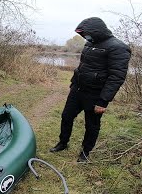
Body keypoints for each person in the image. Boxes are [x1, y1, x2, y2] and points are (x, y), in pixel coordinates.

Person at [50, 17, 132, 162]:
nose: (85, 37)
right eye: (83, 35)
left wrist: (103, 101)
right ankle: (63, 143)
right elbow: (83, 66)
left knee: (91, 125)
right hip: (77, 90)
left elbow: (117, 77)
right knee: (66, 116)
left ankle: (85, 152)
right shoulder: (89, 43)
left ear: (97, 31)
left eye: (86, 34)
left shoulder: (118, 47)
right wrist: (73, 83)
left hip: (96, 95)